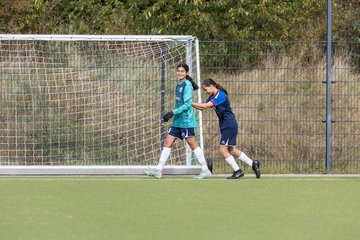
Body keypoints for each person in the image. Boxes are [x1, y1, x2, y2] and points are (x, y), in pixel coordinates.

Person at [144, 63, 212, 179]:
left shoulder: (187, 85)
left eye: (182, 71)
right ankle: (158, 170)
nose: (180, 73)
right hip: (177, 121)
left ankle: (205, 170)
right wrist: (174, 115)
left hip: (186, 120)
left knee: (192, 144)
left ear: (186, 73)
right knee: (167, 142)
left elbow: (187, 105)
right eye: (178, 71)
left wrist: (172, 113)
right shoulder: (179, 85)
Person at [192, 78, 260, 179]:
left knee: (222, 150)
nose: (205, 92)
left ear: (212, 86)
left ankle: (238, 171)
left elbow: (206, 106)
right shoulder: (212, 96)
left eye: (206, 90)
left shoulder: (221, 95)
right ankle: (253, 163)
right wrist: (190, 104)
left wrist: (190, 103)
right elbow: (202, 107)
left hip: (229, 125)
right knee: (232, 150)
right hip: (226, 125)